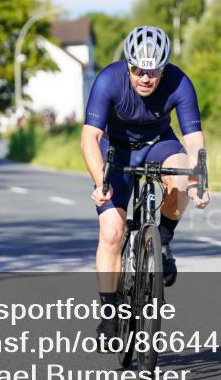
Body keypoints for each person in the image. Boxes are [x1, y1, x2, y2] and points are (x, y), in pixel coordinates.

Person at [80, 25, 210, 344]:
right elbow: (89, 137)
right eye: (138, 69)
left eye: (153, 71)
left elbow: (193, 140)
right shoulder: (109, 80)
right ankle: (109, 316)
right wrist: (101, 184)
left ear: (163, 69)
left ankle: (162, 241)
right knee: (112, 229)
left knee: (181, 177)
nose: (145, 78)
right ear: (128, 64)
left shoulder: (180, 82)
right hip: (115, 148)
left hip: (158, 143)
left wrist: (199, 180)